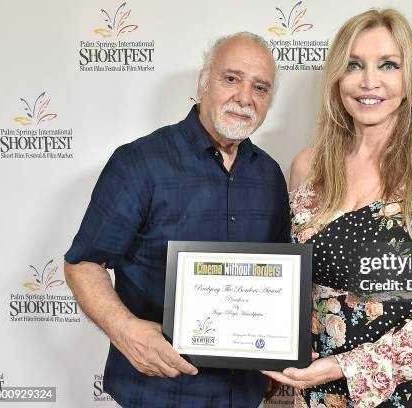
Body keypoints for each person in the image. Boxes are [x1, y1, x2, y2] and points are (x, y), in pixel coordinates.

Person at [262, 9, 412, 408]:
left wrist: (343, 367)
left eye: (388, 65)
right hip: (313, 395)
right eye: (354, 65)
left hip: (400, 397)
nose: (369, 81)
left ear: (410, 79)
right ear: (336, 79)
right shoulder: (307, 166)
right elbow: (293, 287)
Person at [64, 32, 289, 407]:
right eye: (231, 78)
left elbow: (279, 276)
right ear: (204, 82)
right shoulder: (139, 163)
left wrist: (275, 353)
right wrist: (126, 331)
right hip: (158, 391)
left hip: (243, 394)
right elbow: (83, 264)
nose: (245, 97)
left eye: (260, 87)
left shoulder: (270, 175)